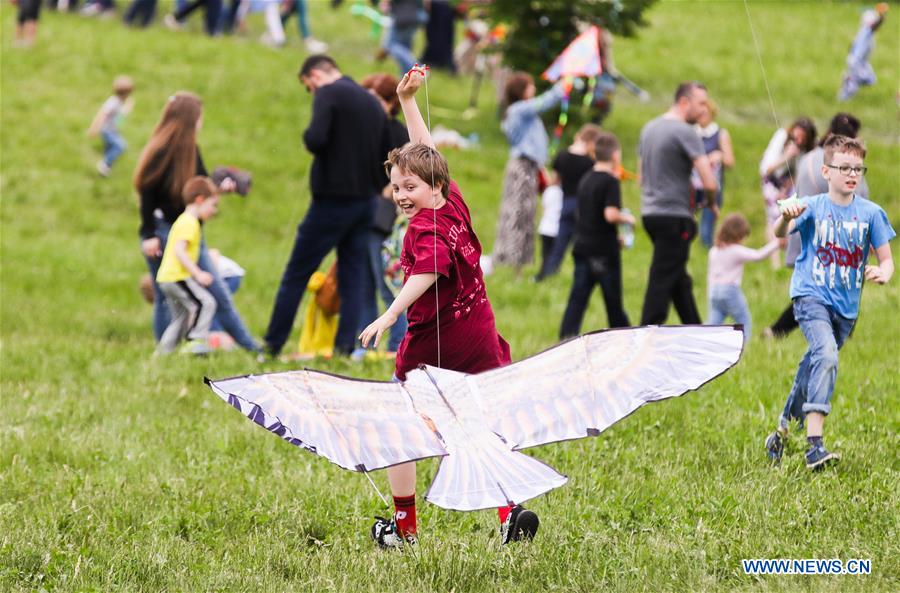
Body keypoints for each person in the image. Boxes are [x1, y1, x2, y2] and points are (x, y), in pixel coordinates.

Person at [358, 67, 538, 549]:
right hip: (479, 328)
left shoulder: (422, 229)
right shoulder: (450, 199)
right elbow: (427, 154)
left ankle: (404, 527)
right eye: (397, 188)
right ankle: (509, 510)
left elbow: (429, 270)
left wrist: (390, 314)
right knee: (482, 419)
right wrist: (408, 101)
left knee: (402, 424)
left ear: (432, 188)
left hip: (436, 340)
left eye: (409, 189)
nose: (401, 196)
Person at [764, 135, 894, 470]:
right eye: (844, 168)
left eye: (858, 169)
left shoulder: (871, 213)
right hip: (810, 297)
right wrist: (785, 215)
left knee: (812, 368)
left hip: (846, 310)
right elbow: (781, 232)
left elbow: (888, 259)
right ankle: (814, 446)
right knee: (825, 355)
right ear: (826, 171)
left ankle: (780, 432)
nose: (852, 175)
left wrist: (884, 271)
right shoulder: (812, 206)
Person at [262, 55, 391, 358]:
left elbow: (316, 139)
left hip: (331, 202)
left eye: (308, 86)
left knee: (297, 272)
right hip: (366, 204)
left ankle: (272, 344)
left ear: (315, 75)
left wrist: (311, 138)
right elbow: (385, 154)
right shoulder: (372, 102)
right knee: (353, 277)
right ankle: (345, 348)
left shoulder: (328, 93)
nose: (311, 92)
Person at [134, 91, 259, 352]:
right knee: (173, 298)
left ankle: (250, 348)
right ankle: (251, 350)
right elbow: (146, 192)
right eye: (199, 118)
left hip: (187, 231)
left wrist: (221, 188)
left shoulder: (190, 150)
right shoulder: (161, 152)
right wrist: (148, 234)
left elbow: (197, 189)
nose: (201, 123)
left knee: (202, 295)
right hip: (164, 233)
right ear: (190, 119)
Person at [765, 113, 869, 339]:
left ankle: (778, 332)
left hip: (807, 236)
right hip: (829, 241)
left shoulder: (810, 157)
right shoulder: (839, 162)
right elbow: (859, 199)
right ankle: (780, 331)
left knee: (816, 292)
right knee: (823, 293)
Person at [637, 81, 718, 326]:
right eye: (701, 103)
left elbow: (641, 175)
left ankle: (697, 333)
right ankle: (646, 333)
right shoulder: (684, 131)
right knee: (662, 279)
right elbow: (710, 182)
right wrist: (710, 202)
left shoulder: (649, 128)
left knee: (678, 279)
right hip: (674, 216)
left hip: (650, 213)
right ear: (684, 102)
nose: (704, 110)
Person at [558, 132, 635, 339]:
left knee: (577, 299)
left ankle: (566, 338)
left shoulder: (586, 178)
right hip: (603, 252)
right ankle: (625, 339)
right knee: (613, 302)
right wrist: (628, 219)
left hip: (583, 246)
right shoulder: (610, 181)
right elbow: (610, 214)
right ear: (616, 155)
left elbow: (586, 215)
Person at [356, 73, 409, 357]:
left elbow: (403, 173)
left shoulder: (395, 131)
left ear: (390, 102)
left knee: (388, 281)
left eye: (375, 99)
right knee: (363, 282)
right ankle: (364, 343)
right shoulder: (365, 129)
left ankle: (397, 346)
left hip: (384, 219)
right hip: (363, 216)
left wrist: (389, 192)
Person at [492, 73, 565, 271]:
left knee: (527, 214)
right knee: (517, 213)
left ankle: (519, 261)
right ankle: (508, 259)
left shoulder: (522, 112)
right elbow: (545, 102)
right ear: (521, 90)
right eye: (530, 86)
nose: (533, 89)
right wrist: (562, 85)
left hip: (531, 167)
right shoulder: (519, 110)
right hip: (522, 168)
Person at [156, 177, 220, 355]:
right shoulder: (190, 222)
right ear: (199, 200)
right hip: (177, 277)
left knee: (180, 318)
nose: (213, 211)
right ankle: (195, 341)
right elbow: (180, 251)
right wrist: (197, 274)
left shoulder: (184, 220)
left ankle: (162, 354)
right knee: (205, 303)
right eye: (212, 205)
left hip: (167, 277)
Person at [536, 123, 602, 282]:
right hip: (582, 206)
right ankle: (589, 273)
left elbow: (555, 181)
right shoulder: (590, 163)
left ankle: (547, 274)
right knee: (584, 242)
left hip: (565, 203)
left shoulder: (562, 155)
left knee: (560, 243)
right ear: (592, 141)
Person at [705, 214, 778, 346]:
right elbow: (758, 256)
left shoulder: (714, 251)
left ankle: (705, 345)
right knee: (744, 321)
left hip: (714, 291)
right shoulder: (735, 251)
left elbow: (710, 275)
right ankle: (743, 348)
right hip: (730, 290)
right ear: (737, 235)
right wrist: (777, 243)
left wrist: (709, 293)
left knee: (712, 325)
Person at [759, 117, 817, 266]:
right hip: (771, 179)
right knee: (772, 218)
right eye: (795, 136)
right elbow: (767, 169)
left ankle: (790, 255)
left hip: (789, 184)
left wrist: (786, 189)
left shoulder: (807, 151)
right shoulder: (781, 137)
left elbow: (799, 173)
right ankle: (775, 262)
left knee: (792, 216)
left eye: (802, 139)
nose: (797, 141)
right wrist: (787, 156)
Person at [691, 99, 734, 248]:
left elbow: (730, 161)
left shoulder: (720, 134)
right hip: (691, 187)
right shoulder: (690, 132)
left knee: (706, 231)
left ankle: (708, 255)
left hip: (712, 188)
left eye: (705, 112)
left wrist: (719, 156)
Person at [838, 4, 889, 101]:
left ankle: (850, 80)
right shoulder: (866, 31)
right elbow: (875, 24)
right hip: (856, 62)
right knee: (853, 85)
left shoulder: (867, 32)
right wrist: (881, 17)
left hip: (862, 62)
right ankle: (846, 88)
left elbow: (853, 46)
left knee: (870, 79)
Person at [88, 75, 135, 177]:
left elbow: (119, 119)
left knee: (109, 147)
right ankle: (104, 164)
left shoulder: (120, 102)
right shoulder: (112, 103)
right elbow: (101, 115)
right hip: (107, 130)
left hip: (113, 129)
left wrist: (127, 108)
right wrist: (94, 128)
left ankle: (105, 169)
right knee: (120, 146)